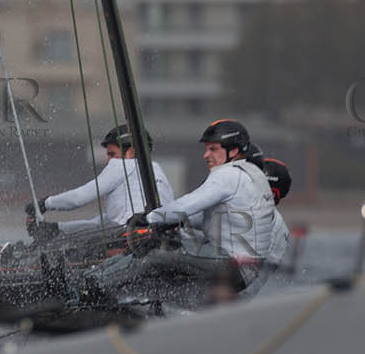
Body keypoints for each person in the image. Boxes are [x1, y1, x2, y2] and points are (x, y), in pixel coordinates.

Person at [133, 119, 277, 289]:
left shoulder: (228, 175)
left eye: (213, 149)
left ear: (234, 151)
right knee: (173, 263)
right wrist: (181, 221)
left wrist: (149, 218)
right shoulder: (251, 174)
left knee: (155, 257)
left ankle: (99, 288)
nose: (206, 155)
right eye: (206, 149)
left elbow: (186, 205)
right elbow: (214, 219)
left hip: (232, 267)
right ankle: (167, 305)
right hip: (245, 271)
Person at [25, 125, 175, 239]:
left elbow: (79, 198)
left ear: (131, 152)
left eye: (112, 154)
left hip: (130, 239)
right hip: (161, 237)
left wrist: (44, 204)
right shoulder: (159, 171)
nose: (109, 160)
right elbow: (101, 224)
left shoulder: (121, 165)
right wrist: (55, 228)